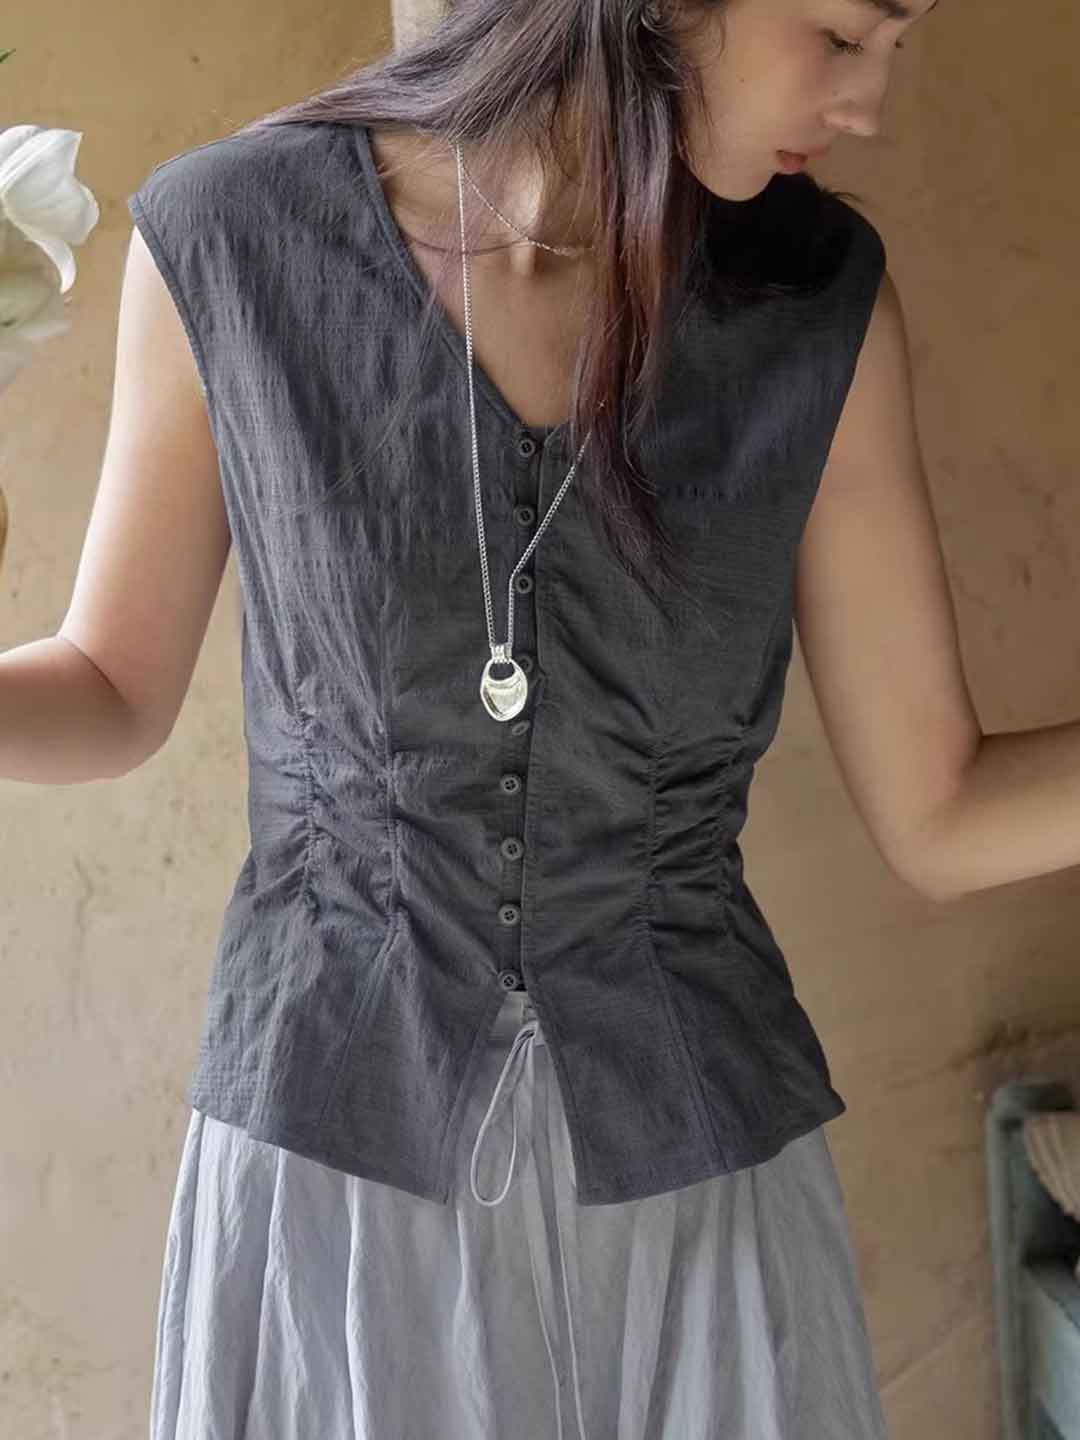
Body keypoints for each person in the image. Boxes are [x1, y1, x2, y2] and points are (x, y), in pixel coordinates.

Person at [5, 0, 982, 1434]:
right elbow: (109, 684)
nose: (870, 105)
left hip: (693, 1189)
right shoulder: (229, 237)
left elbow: (941, 811)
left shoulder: (815, 304)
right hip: (330, 1180)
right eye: (843, 34)